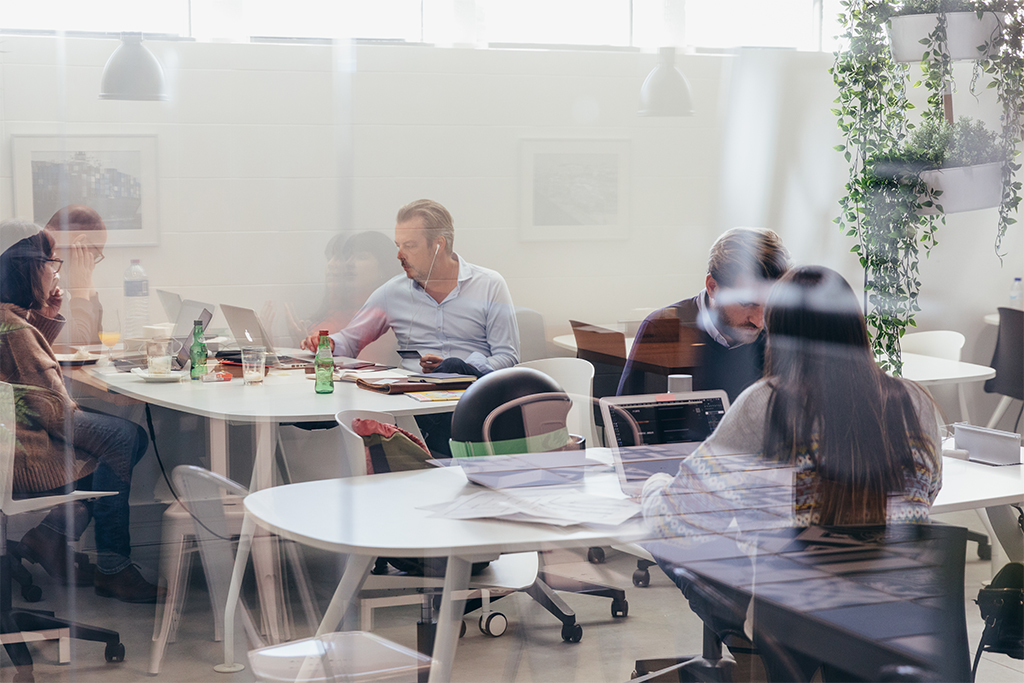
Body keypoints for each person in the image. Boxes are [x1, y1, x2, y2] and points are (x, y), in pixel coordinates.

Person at [641, 266, 942, 680]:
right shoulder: (914, 402)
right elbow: (927, 493)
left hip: (803, 630)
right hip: (908, 633)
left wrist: (654, 488)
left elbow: (678, 522)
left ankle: (755, 655)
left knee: (676, 540)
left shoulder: (766, 404)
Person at [0, 219, 160, 603]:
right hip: (24, 452)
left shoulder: (8, 319)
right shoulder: (13, 328)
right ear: (27, 268)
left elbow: (24, 370)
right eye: (50, 263)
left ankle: (50, 536)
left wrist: (43, 313)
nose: (55, 271)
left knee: (121, 436)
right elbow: (54, 411)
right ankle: (113, 568)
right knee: (123, 438)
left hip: (15, 434)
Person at [300, 199, 520, 455]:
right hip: (415, 407)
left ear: (438, 245)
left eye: (410, 246)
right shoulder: (392, 292)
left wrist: (461, 368)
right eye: (398, 246)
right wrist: (327, 343)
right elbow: (350, 339)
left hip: (475, 400)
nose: (399, 255)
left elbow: (508, 357)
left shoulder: (489, 284)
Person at [617, 227, 791, 401]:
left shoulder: (777, 333)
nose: (759, 321)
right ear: (712, 287)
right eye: (746, 303)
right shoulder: (662, 330)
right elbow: (630, 415)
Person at [279, 231, 403, 346]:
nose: (348, 263)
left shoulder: (378, 313)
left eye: (361, 257)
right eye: (348, 257)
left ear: (384, 267)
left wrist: (308, 347)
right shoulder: (337, 308)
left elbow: (357, 359)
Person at [43, 205, 107, 347]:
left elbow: (95, 348)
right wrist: (80, 292)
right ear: (80, 242)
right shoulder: (44, 277)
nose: (92, 264)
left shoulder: (52, 271)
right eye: (95, 255)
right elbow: (78, 349)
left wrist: (90, 291)